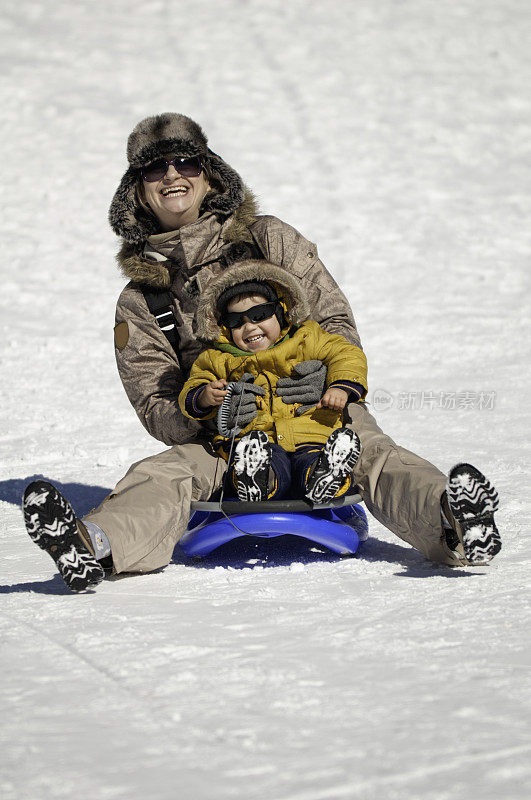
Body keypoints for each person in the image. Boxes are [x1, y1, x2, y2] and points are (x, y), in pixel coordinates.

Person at [22, 112, 501, 593]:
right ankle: (92, 545)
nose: (172, 175)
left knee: (373, 455)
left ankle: (454, 519)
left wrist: (329, 379)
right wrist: (207, 410)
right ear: (138, 189)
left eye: (186, 161)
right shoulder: (143, 301)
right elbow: (156, 405)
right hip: (228, 443)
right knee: (165, 473)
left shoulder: (269, 238)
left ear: (209, 173)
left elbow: (334, 318)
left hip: (319, 415)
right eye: (154, 168)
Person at [177, 259, 368, 503]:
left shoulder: (306, 338)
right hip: (257, 440)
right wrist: (204, 396)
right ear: (224, 327)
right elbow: (194, 385)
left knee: (310, 460)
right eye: (236, 321)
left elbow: (346, 353)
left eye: (259, 314)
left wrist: (341, 386)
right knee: (266, 461)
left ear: (280, 312)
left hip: (311, 432)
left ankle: (327, 474)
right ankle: (257, 478)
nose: (249, 326)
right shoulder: (217, 358)